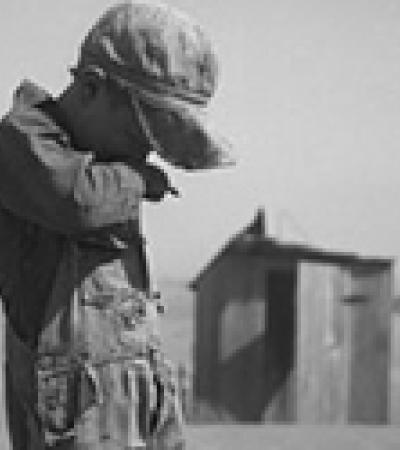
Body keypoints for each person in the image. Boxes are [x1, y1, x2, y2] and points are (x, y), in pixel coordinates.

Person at [0, 2, 232, 449]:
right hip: (71, 413)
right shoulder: (22, 139)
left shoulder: (102, 164)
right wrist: (141, 180)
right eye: (137, 135)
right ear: (90, 88)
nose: (143, 155)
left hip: (139, 392)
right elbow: (76, 202)